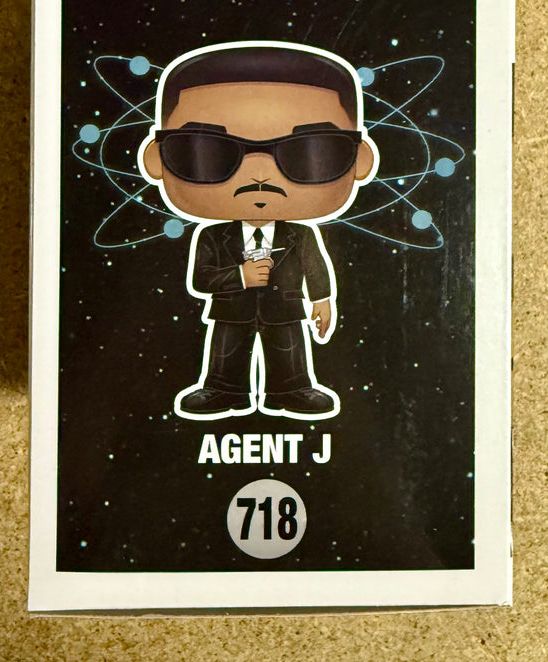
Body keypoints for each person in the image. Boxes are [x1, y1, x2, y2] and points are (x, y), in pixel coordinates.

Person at [138, 41, 378, 419]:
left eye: (309, 152)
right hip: (231, 311)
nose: (260, 175)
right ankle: (223, 389)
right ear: (157, 159)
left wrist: (322, 300)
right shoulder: (213, 236)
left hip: (286, 310)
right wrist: (240, 276)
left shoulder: (301, 235)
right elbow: (201, 278)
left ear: (360, 160)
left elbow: (314, 267)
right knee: (226, 353)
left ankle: (291, 389)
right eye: (209, 152)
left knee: (289, 352)